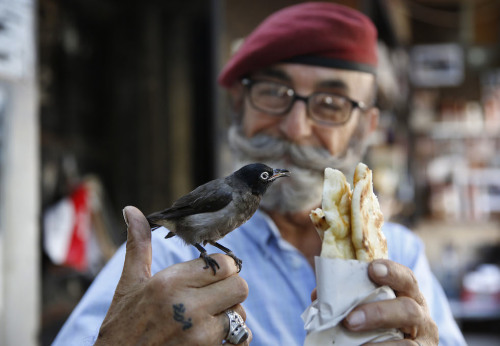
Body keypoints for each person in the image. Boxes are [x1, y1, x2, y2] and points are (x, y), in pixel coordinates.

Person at [53, 2, 466, 345]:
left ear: (366, 128)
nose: (295, 127)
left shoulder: (401, 254)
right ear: (237, 108)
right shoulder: (157, 267)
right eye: (273, 93)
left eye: (330, 103)